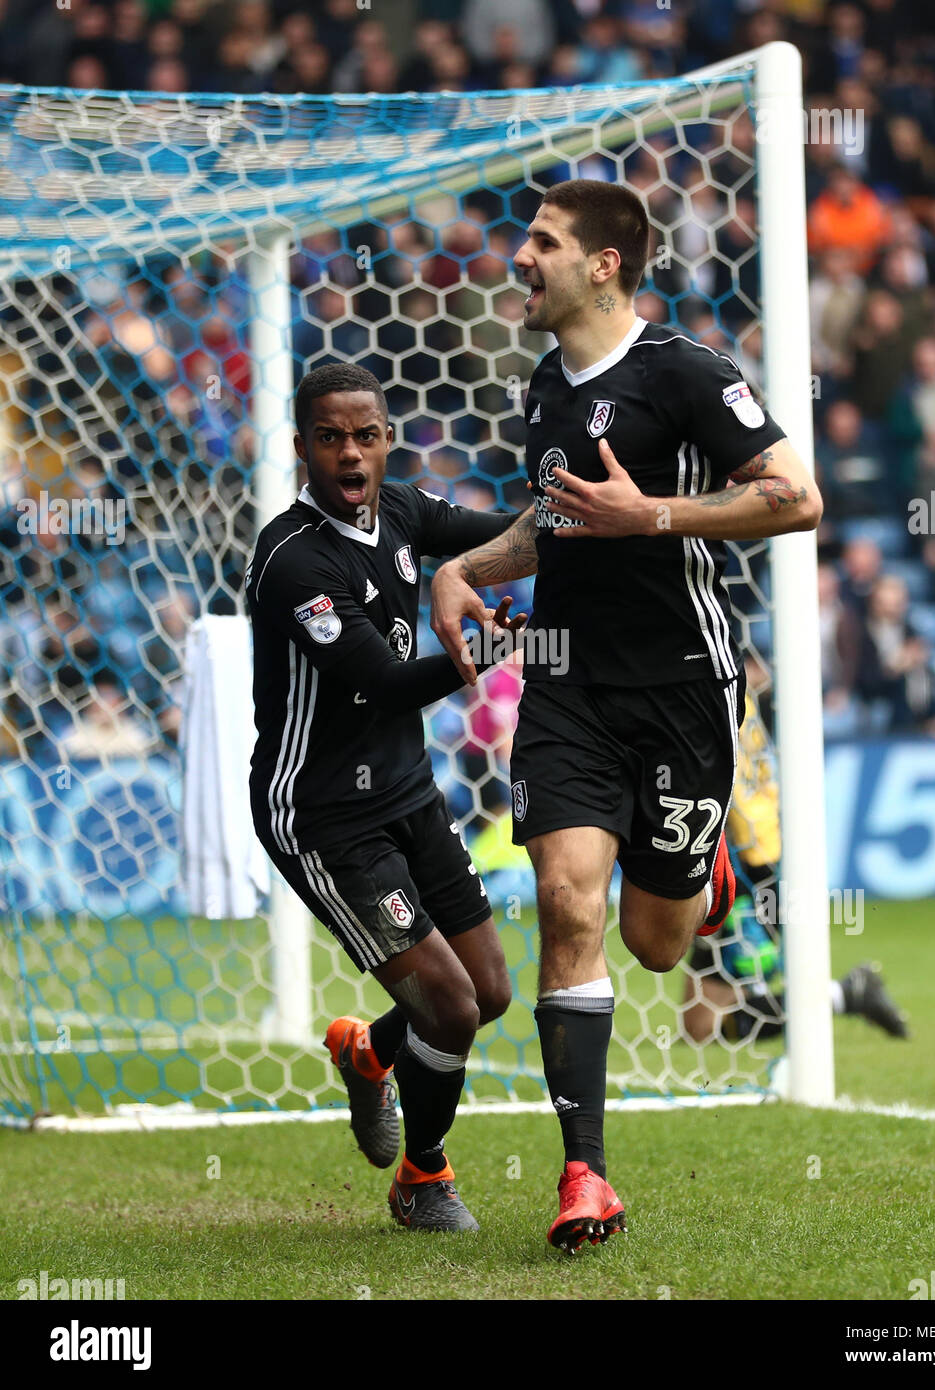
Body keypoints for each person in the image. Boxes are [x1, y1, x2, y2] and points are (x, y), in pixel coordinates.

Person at [430, 179, 821, 1251]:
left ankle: (701, 874)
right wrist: (466, 565)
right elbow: (552, 525)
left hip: (687, 689)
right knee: (564, 902)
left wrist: (649, 513)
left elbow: (797, 497)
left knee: (656, 942)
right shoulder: (542, 389)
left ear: (604, 264)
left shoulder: (687, 374)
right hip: (568, 685)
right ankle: (584, 1175)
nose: (522, 257)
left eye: (543, 243)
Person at [247, 362, 525, 1232]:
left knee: (490, 991)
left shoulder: (402, 512)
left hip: (405, 790)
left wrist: (613, 518)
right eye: (330, 437)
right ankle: (423, 1179)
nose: (350, 454)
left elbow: (510, 532)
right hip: (321, 814)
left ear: (387, 439)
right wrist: (494, 648)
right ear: (302, 449)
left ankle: (369, 1053)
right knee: (448, 1006)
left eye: (365, 435)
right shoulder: (293, 561)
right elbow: (379, 684)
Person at [682, 689, 908, 1048]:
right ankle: (843, 994)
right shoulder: (745, 702)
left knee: (704, 1028)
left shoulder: (707, 697)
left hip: (739, 869)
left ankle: (844, 995)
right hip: (755, 857)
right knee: (696, 1022)